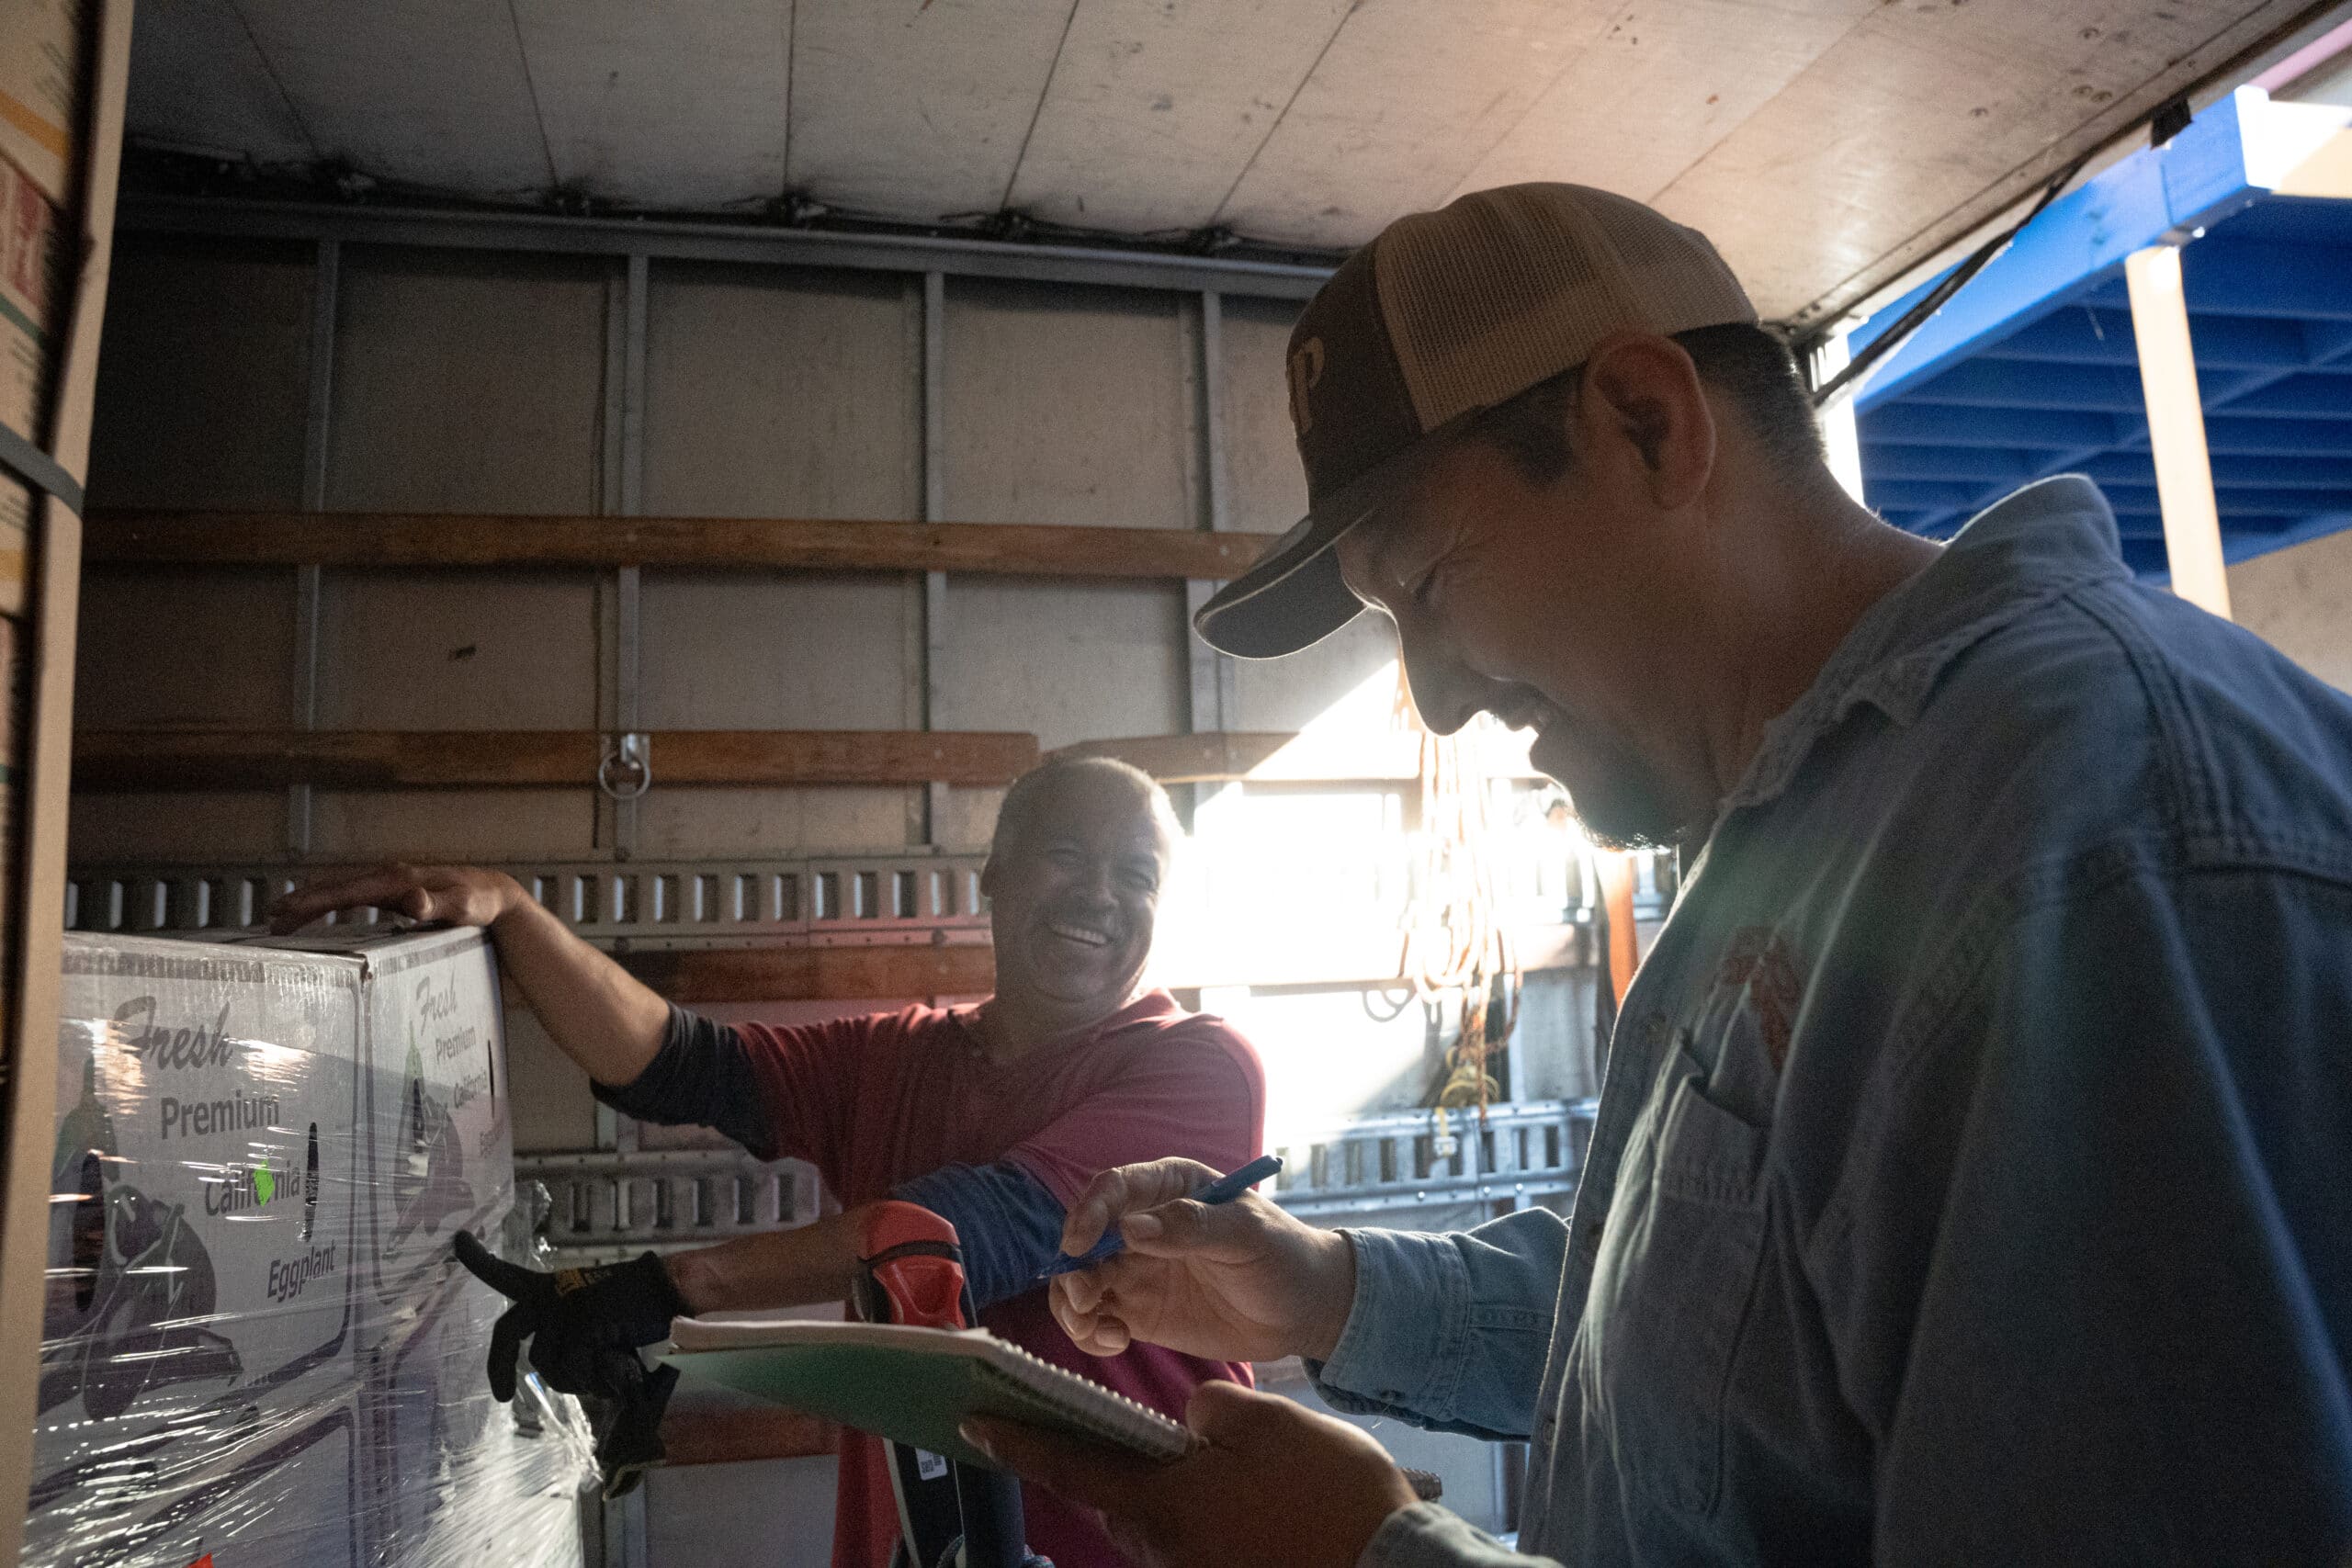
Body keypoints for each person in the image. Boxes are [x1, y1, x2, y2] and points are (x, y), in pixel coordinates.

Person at [962, 184, 2352, 1566]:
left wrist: (1373, 1556)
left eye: (1433, 582)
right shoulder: (1801, 822)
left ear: (1649, 425)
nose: (1432, 704)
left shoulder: (2086, 836)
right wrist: (1325, 1288)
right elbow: (1739, 1321)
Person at [269, 755, 1267, 1568]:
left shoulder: (1203, 1067)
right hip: (915, 1545)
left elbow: (980, 1227)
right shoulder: (897, 1056)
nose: (1099, 894)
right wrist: (516, 915)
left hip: (1158, 1548)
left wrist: (666, 1288)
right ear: (994, 876)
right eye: (1065, 855)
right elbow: (678, 1066)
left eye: (1136, 875)